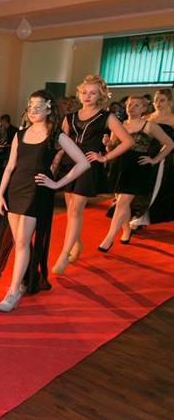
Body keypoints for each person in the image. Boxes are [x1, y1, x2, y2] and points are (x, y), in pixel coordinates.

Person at [0, 90, 89, 311]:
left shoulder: (56, 135)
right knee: (19, 241)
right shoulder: (20, 134)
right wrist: (0, 193)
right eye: (30, 106)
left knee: (23, 241)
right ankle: (26, 279)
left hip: (36, 191)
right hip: (15, 190)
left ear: (49, 108)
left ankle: (14, 290)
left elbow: (83, 162)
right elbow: (10, 166)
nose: (32, 110)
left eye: (38, 106)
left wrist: (56, 184)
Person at [51, 75, 133, 275]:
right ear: (79, 93)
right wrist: (55, 162)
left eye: (93, 93)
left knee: (75, 211)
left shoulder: (107, 117)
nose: (87, 96)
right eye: (84, 92)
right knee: (71, 210)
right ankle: (76, 244)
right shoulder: (69, 117)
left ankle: (64, 255)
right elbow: (62, 143)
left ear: (100, 96)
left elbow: (128, 141)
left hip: (88, 166)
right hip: (69, 165)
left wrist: (105, 157)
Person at [99, 96, 173, 250]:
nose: (132, 108)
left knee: (122, 203)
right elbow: (113, 148)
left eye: (137, 105)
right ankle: (126, 231)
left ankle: (109, 238)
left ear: (144, 109)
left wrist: (155, 160)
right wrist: (107, 144)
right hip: (119, 166)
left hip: (137, 168)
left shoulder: (150, 126)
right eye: (130, 104)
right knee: (122, 203)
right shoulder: (119, 125)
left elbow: (170, 144)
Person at [135, 88, 174, 226]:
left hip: (165, 158)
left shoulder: (173, 119)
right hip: (145, 155)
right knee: (141, 186)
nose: (158, 103)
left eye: (162, 100)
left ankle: (145, 216)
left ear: (170, 102)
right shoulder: (147, 117)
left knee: (156, 187)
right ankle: (136, 213)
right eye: (156, 100)